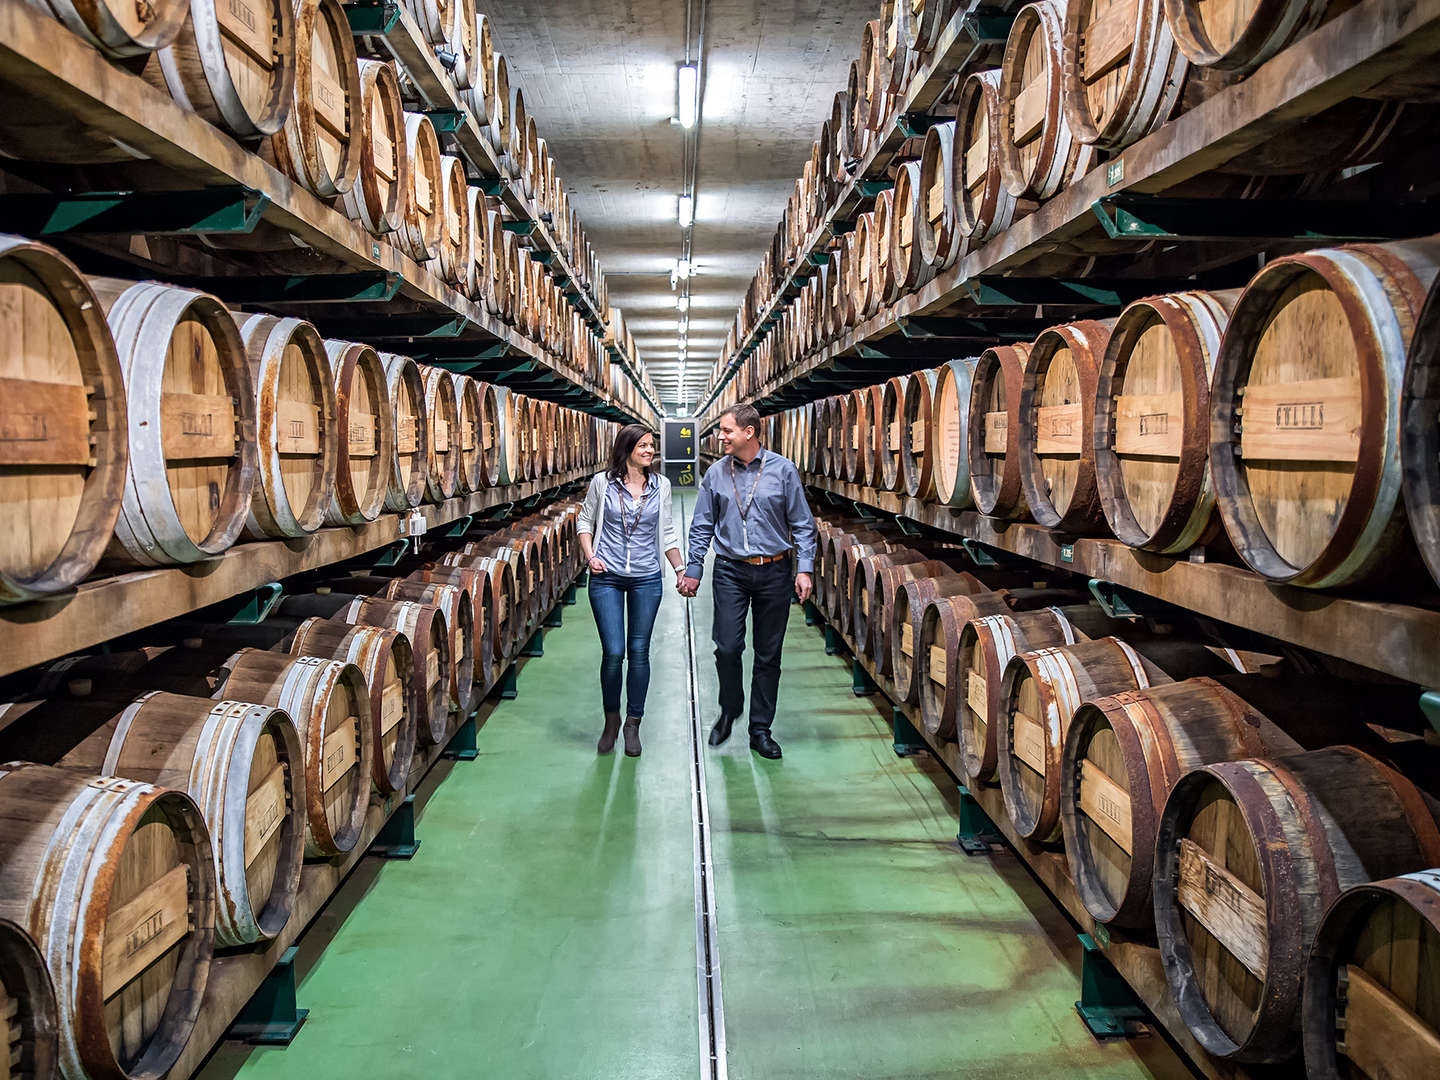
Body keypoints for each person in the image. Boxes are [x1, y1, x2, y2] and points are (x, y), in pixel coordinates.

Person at [678, 404, 816, 759]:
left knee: (768, 654)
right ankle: (730, 706)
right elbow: (702, 524)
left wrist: (804, 568)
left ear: (749, 433)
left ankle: (760, 730)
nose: (720, 437)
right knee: (726, 646)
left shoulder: (783, 471)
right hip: (730, 570)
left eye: (726, 431)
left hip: (774, 570)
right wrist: (694, 568)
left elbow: (801, 523)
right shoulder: (715, 474)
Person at [577, 425, 684, 757]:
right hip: (606, 576)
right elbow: (584, 522)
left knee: (639, 651)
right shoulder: (601, 483)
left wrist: (681, 570)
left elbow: (666, 531)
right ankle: (611, 720)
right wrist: (590, 556)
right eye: (643, 445)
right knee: (613, 652)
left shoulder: (661, 485)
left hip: (647, 578)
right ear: (626, 449)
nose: (650, 450)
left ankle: (633, 724)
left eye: (652, 446)